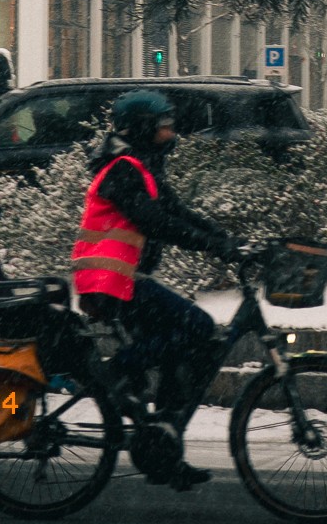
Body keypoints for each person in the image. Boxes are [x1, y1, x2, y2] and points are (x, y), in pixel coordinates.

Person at [71, 90, 244, 491]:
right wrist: (212, 245)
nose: (172, 133)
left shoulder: (142, 167)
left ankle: (164, 445)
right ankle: (116, 371)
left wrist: (225, 239)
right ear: (145, 128)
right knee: (197, 325)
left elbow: (176, 212)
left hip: (124, 281)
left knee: (178, 345)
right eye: (165, 125)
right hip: (108, 283)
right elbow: (155, 222)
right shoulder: (122, 169)